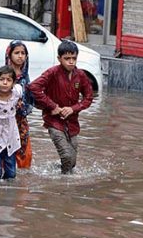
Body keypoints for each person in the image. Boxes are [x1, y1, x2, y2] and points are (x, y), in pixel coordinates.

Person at [28, 41, 94, 174]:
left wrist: (73, 108)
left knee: (72, 162)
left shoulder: (80, 75)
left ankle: (58, 174)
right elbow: (33, 87)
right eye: (67, 59)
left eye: (74, 58)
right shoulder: (52, 72)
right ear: (59, 59)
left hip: (72, 123)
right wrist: (53, 106)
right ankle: (63, 185)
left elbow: (88, 97)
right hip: (54, 121)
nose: (71, 62)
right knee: (66, 156)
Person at [0, 41, 34, 169]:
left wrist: (22, 108)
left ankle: (19, 184)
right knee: (2, 151)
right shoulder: (2, 76)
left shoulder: (25, 78)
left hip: (20, 122)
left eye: (23, 53)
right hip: (2, 122)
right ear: (9, 55)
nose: (20, 56)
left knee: (24, 155)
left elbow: (30, 100)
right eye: (16, 53)